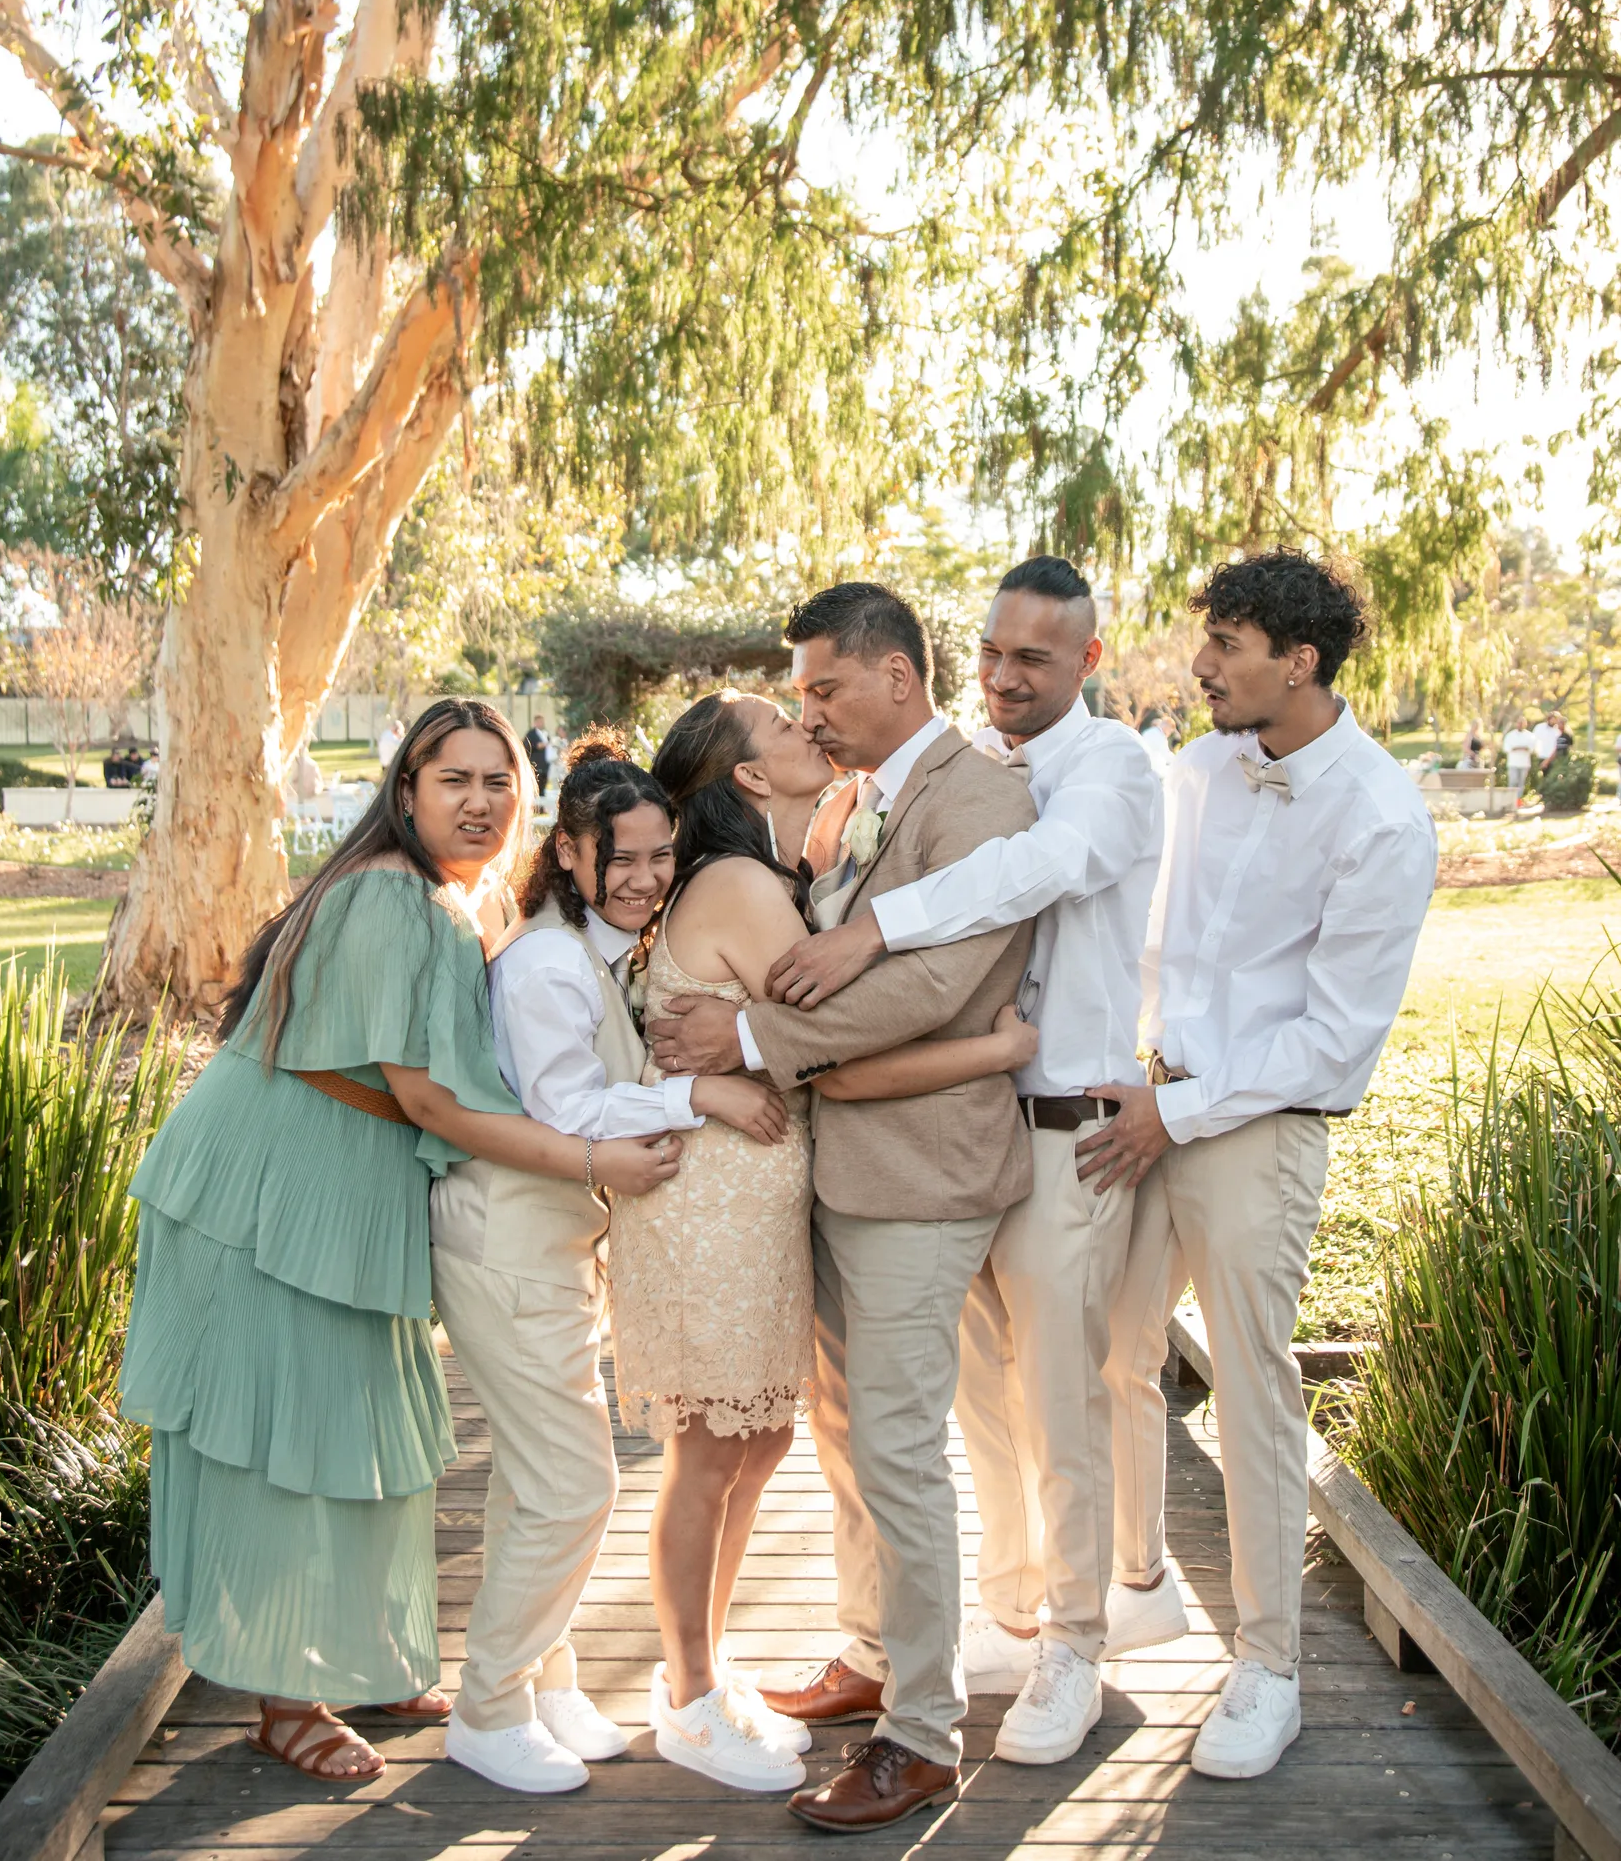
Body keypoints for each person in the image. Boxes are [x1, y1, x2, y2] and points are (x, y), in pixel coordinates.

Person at [119, 700, 678, 1786]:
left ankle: (357, 1651)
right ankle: (286, 1701)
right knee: (296, 1436)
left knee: (366, 1430)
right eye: (452, 780)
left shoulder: (448, 901)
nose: (478, 802)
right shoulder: (390, 900)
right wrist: (592, 1164)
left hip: (340, 1182)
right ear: (406, 792)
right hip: (273, 1188)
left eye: (497, 782)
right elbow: (427, 1101)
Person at [759, 558, 1165, 1761]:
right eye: (990, 652)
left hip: (1061, 1131)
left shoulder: (1109, 771)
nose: (1000, 677)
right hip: (962, 1130)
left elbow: (1031, 874)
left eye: (1032, 659)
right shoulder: (968, 773)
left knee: (1061, 1403)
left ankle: (1078, 1645)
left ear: (1087, 662)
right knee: (981, 1410)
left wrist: (880, 924)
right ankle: (1001, 1612)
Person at [649, 583, 1036, 1833]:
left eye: (822, 686)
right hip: (831, 1171)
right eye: (798, 695)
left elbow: (934, 987)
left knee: (899, 1451)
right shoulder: (859, 801)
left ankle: (922, 1734)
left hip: (921, 1175)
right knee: (843, 1436)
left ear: (897, 678)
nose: (810, 710)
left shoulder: (978, 799)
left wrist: (753, 1034)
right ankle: (872, 1652)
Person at [1081, 552, 1436, 1782]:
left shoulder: (1383, 815)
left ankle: (1269, 1663)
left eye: (1225, 642)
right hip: (1148, 1102)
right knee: (1107, 1346)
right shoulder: (1193, 770)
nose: (1200, 664)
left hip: (1258, 1125)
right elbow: (1149, 941)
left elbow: (1332, 1039)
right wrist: (1127, 1076)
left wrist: (1176, 1116)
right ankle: (1135, 1580)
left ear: (1299, 659)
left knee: (1247, 1382)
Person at [431, 740, 777, 1798]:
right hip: (502, 1246)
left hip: (549, 1250)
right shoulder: (543, 964)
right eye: (618, 858)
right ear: (571, 854)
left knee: (540, 1481)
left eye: (660, 857)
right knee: (576, 1482)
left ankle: (544, 1678)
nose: (643, 877)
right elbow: (565, 1109)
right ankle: (486, 1706)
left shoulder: (601, 954)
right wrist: (703, 1096)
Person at [1503, 719, 1535, 801]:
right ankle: (1510, 800)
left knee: (1521, 783)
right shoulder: (1510, 735)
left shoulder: (1529, 735)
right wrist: (1521, 748)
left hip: (1524, 763)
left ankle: (1518, 800)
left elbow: (1531, 748)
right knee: (1512, 781)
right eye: (1519, 723)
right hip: (1513, 763)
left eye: (1522, 723)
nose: (1520, 725)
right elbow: (1507, 748)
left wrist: (1517, 748)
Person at [524, 718, 553, 794]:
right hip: (536, 764)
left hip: (545, 765)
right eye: (539, 722)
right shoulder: (531, 734)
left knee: (543, 787)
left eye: (542, 722)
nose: (541, 723)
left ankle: (541, 805)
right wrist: (538, 745)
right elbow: (527, 745)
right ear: (535, 722)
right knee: (535, 786)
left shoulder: (545, 733)